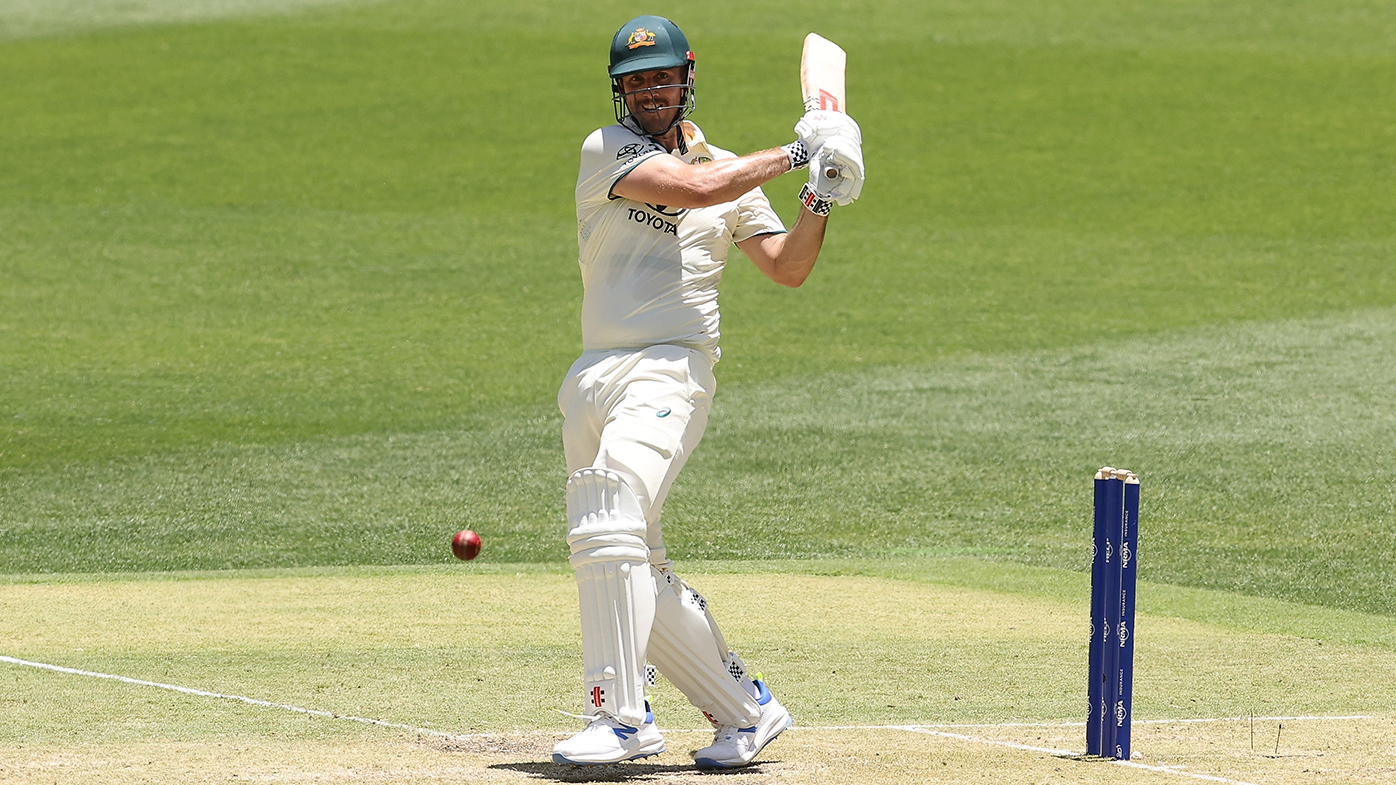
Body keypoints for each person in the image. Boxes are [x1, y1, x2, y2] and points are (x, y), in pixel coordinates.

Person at [551, 15, 863, 768]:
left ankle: (622, 718)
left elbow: (786, 265)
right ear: (619, 92)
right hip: (594, 372)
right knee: (631, 557)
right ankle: (745, 711)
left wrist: (820, 191)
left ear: (687, 78)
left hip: (670, 370)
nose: (650, 92)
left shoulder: (731, 168)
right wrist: (800, 149)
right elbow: (693, 188)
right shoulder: (609, 150)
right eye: (636, 82)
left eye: (662, 77)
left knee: (610, 511)